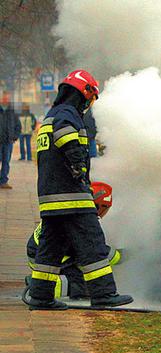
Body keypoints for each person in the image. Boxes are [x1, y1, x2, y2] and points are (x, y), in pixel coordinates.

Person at [28, 69, 132, 310]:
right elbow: (66, 136)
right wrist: (77, 164)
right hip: (72, 196)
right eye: (90, 96)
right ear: (84, 92)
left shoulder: (51, 114)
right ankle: (104, 295)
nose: (88, 103)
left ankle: (41, 297)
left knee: (50, 251)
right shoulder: (67, 114)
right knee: (92, 243)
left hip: (51, 199)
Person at [0, 100, 21, 189]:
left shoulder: (12, 112)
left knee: (6, 162)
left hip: (8, 142)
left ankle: (3, 181)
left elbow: (18, 126)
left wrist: (14, 137)